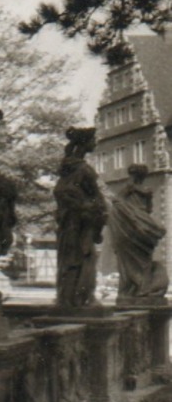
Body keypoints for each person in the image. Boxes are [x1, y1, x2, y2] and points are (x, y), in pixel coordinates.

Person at [54, 126, 108, 307]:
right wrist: (97, 213)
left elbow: (59, 192)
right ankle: (84, 298)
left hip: (68, 223)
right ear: (85, 143)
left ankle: (67, 298)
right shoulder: (84, 170)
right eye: (93, 140)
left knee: (69, 259)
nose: (95, 143)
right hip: (83, 223)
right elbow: (98, 199)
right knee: (86, 257)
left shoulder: (66, 168)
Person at [109, 164, 168, 301]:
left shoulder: (130, 189)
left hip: (135, 226)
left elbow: (117, 202)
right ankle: (141, 288)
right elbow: (148, 209)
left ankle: (138, 288)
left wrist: (133, 216)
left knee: (138, 260)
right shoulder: (144, 190)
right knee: (142, 260)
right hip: (138, 225)